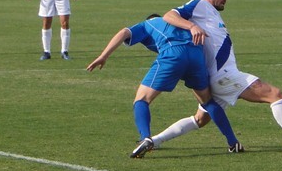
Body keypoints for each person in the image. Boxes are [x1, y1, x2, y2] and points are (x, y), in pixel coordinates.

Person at [160, 0, 282, 155]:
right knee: (274, 94)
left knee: (200, 119)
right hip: (224, 76)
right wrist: (192, 26)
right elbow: (169, 16)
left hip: (218, 77)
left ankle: (153, 141)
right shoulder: (199, 5)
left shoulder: (211, 12)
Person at [86, 14, 243, 157]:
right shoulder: (178, 22)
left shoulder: (148, 24)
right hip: (197, 54)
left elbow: (124, 32)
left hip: (173, 53)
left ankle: (145, 138)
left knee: (141, 99)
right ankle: (233, 142)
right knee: (207, 102)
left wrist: (103, 56)